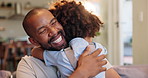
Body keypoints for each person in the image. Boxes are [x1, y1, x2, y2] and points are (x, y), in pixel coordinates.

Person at [16, 2, 108, 78]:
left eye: (54, 23)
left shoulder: (90, 55)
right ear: (34, 41)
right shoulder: (28, 65)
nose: (53, 31)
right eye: (43, 31)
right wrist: (81, 73)